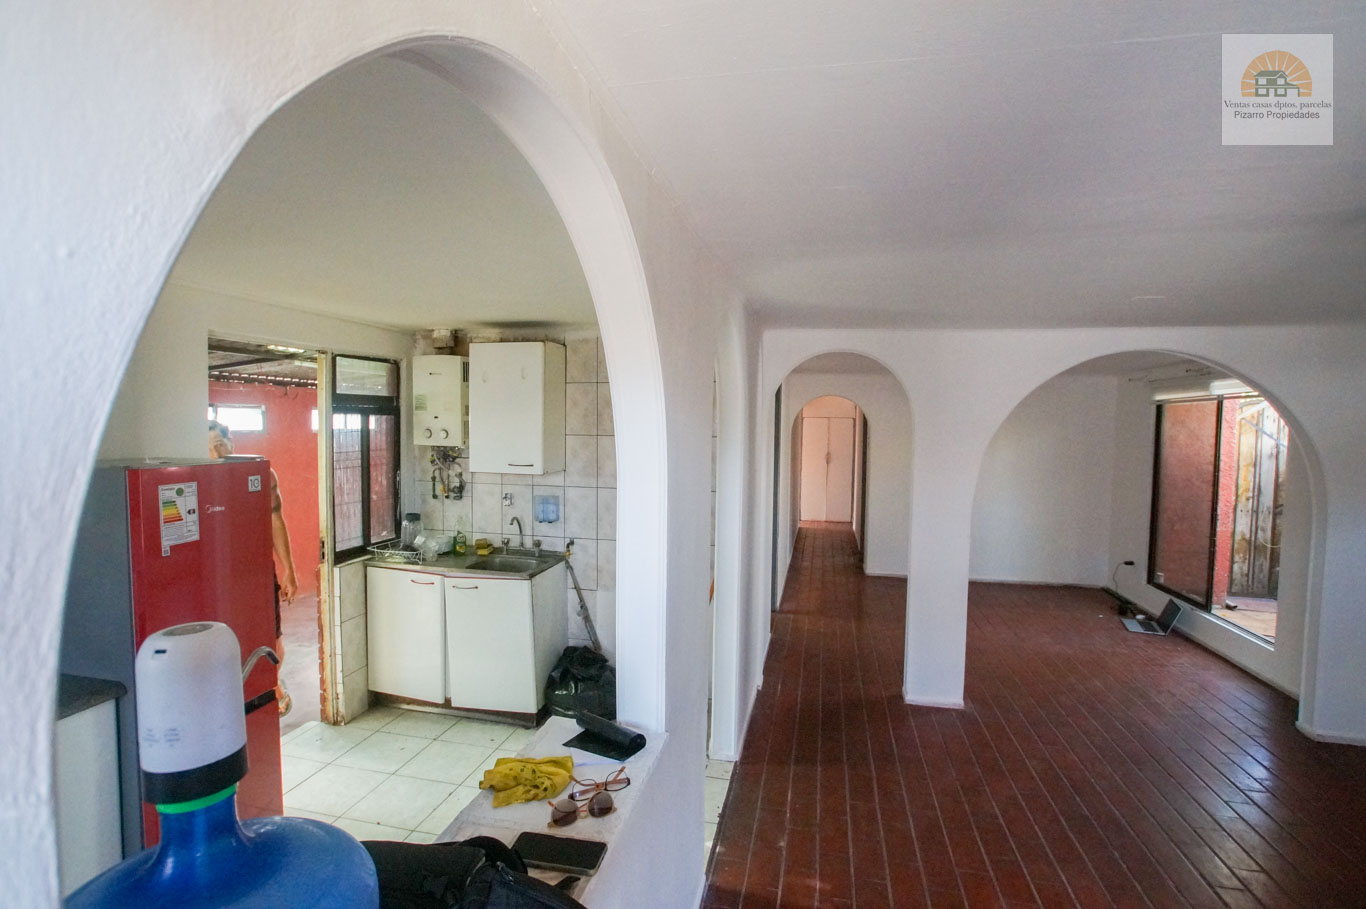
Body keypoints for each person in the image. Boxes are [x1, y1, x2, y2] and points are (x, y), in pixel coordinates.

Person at [209, 420, 297, 715]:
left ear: (231, 443)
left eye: (219, 445)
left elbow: (275, 519)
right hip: (218, 577)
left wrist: (289, 570)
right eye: (208, 448)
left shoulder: (261, 474)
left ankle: (271, 684)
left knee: (273, 642)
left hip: (258, 573)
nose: (215, 453)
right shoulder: (197, 479)